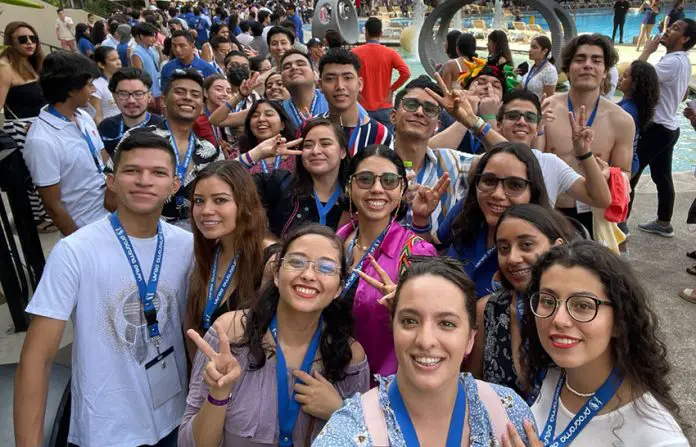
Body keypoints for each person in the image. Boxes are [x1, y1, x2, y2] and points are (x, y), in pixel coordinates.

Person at [14, 130, 192, 447]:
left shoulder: (187, 245)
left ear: (174, 185)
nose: (144, 180)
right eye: (132, 170)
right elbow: (37, 359)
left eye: (158, 172)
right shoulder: (75, 251)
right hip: (107, 430)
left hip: (176, 419)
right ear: (111, 180)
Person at [179, 224, 369, 446]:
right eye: (296, 262)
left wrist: (339, 413)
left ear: (339, 288)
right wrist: (218, 393)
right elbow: (190, 443)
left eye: (326, 268)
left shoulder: (350, 355)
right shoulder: (230, 335)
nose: (308, 275)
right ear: (277, 274)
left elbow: (364, 439)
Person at [314, 257, 535, 445]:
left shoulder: (509, 414)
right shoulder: (347, 433)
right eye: (410, 321)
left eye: (447, 323)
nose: (426, 340)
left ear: (470, 339)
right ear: (393, 328)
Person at [519, 241, 689, 446]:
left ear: (620, 321)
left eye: (582, 305)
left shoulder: (660, 439)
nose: (559, 320)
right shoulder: (553, 373)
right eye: (548, 301)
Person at [337, 144, 436, 379]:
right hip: (323, 374)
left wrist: (404, 310)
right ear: (349, 186)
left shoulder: (416, 253)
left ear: (402, 189)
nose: (377, 189)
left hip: (380, 386)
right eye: (365, 179)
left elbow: (431, 329)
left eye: (389, 181)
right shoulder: (337, 240)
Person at [466, 204, 574, 397]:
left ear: (557, 247)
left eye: (526, 245)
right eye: (504, 248)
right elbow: (475, 387)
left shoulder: (579, 314)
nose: (513, 258)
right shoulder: (488, 310)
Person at [425, 143, 552, 298]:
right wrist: (421, 219)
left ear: (533, 191)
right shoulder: (466, 210)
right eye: (489, 181)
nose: (498, 194)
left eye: (514, 185)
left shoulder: (545, 243)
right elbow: (431, 249)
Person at [537, 34, 634, 234]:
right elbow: (533, 159)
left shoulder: (621, 120)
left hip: (593, 214)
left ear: (605, 71)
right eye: (580, 59)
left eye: (596, 60)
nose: (588, 65)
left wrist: (610, 174)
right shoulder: (547, 108)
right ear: (568, 68)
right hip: (548, 211)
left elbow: (625, 172)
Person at [185, 160, 270, 358]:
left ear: (245, 203)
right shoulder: (209, 252)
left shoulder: (271, 261)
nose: (206, 210)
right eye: (199, 200)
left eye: (220, 200)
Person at [23, 51, 109, 236]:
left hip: (110, 215)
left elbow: (101, 158)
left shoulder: (84, 116)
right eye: (89, 85)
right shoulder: (41, 141)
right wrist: (78, 242)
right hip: (85, 229)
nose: (93, 90)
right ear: (71, 89)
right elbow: (53, 206)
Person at [631, 19, 696, 237]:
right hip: (669, 127)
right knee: (662, 176)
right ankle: (664, 222)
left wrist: (647, 51)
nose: (668, 30)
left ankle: (618, 226)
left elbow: (634, 78)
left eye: (676, 29)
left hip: (656, 128)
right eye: (671, 26)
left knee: (630, 173)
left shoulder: (672, 62)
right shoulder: (682, 61)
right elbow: (685, 93)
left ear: (685, 39)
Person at [389, 76, 475, 235]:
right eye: (411, 105)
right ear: (393, 116)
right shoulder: (371, 163)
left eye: (429, 109)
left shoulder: (453, 163)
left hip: (435, 258)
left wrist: (473, 123)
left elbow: (514, 161)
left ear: (437, 125)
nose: (419, 112)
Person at [250, 118, 347, 237]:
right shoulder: (281, 183)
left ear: (342, 152)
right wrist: (258, 153)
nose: (315, 151)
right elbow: (226, 180)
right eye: (308, 145)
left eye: (325, 143)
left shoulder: (355, 196)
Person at [0, 21, 54, 232]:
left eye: (33, 38)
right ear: (11, 42)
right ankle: (36, 219)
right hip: (22, 130)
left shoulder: (34, 62)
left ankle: (46, 212)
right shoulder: (5, 68)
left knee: (46, 171)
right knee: (32, 176)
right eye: (23, 39)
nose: (29, 43)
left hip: (42, 125)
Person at [158, 68, 223, 225]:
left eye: (195, 95)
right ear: (163, 100)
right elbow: (112, 198)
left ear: (201, 107)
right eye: (180, 92)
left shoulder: (210, 151)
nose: (188, 98)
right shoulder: (138, 139)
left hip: (196, 236)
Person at [319, 49, 392, 157]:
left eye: (347, 78)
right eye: (330, 79)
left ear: (360, 84)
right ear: (320, 85)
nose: (340, 86)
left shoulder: (379, 133)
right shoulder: (310, 128)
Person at [351, 17, 411, 133]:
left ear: (366, 32)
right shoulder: (390, 53)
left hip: (362, 106)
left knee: (362, 141)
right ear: (381, 33)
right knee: (387, 142)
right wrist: (392, 89)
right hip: (384, 106)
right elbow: (406, 73)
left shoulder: (355, 53)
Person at [99, 68, 164, 157]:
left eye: (138, 93)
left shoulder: (163, 128)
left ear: (149, 96)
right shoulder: (105, 128)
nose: (131, 100)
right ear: (114, 97)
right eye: (123, 94)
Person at [617, 60, 659, 177]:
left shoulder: (627, 110)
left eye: (625, 76)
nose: (620, 78)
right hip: (631, 161)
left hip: (624, 163)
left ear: (635, 84)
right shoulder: (635, 105)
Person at [238, 99, 297, 173]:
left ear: (282, 125)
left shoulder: (296, 157)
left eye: (269, 114)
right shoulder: (239, 155)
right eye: (255, 115)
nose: (261, 119)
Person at [280, 50, 329, 128]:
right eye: (287, 67)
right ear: (281, 79)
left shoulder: (332, 99)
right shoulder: (279, 111)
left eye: (300, 64)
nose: (294, 67)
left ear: (314, 74)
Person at [193, 73, 231, 150]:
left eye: (228, 91)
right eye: (218, 89)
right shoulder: (198, 121)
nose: (225, 94)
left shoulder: (221, 118)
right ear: (206, 93)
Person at [131, 23, 163, 112]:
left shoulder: (151, 49)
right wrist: (147, 92)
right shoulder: (136, 53)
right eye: (151, 36)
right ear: (141, 36)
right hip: (150, 92)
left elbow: (159, 65)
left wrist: (160, 51)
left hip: (158, 89)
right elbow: (139, 75)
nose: (154, 39)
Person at [90, 46, 123, 124]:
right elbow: (97, 117)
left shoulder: (121, 79)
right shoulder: (96, 85)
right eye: (113, 60)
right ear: (101, 64)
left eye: (118, 58)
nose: (119, 62)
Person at [520, 36, 557, 100]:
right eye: (530, 47)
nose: (530, 50)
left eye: (534, 47)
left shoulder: (550, 71)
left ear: (544, 51)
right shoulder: (531, 67)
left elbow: (548, 99)